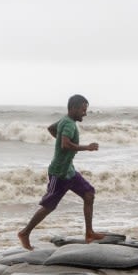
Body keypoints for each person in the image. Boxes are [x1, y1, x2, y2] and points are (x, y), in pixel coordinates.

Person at [17, 94, 105, 250]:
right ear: (73, 108)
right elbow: (65, 145)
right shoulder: (69, 124)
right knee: (49, 206)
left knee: (89, 193)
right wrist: (87, 147)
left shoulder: (65, 120)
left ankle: (89, 233)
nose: (85, 113)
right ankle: (24, 233)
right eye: (83, 110)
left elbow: (51, 129)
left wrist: (59, 140)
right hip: (59, 173)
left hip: (69, 170)